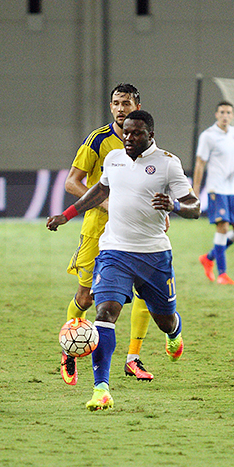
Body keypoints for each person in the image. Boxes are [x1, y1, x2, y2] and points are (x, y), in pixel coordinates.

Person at [47, 110, 200, 410]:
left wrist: (175, 206)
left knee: (164, 319)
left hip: (154, 255)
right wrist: (66, 216)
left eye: (136, 134)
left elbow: (195, 206)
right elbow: (100, 190)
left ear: (150, 135)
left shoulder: (168, 164)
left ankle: (174, 331)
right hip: (114, 251)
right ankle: (101, 389)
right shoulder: (114, 158)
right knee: (104, 313)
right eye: (126, 133)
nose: (128, 138)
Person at [61, 83, 156, 385]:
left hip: (135, 232)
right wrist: (106, 203)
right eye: (115, 103)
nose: (119, 108)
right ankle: (70, 349)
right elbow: (72, 182)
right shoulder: (98, 140)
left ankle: (132, 359)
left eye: (125, 103)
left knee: (143, 290)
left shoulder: (144, 142)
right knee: (86, 297)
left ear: (136, 105)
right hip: (98, 231)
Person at [194, 101, 234, 285]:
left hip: (233, 189)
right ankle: (222, 274)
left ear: (232, 115)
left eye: (228, 112)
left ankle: (208, 258)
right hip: (216, 189)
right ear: (217, 114)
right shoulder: (208, 136)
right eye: (222, 112)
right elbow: (200, 163)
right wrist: (195, 190)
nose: (225, 115)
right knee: (223, 227)